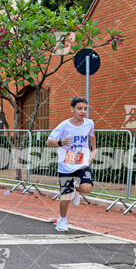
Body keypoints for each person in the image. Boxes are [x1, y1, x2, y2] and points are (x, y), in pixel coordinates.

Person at [46, 96, 97, 232]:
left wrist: (94, 149)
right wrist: (61, 143)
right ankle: (62, 220)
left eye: (85, 109)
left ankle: (76, 189)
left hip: (81, 162)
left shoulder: (89, 123)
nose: (82, 111)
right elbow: (48, 142)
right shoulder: (64, 126)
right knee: (66, 196)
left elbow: (92, 135)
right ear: (72, 109)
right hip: (65, 165)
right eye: (79, 108)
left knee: (87, 188)